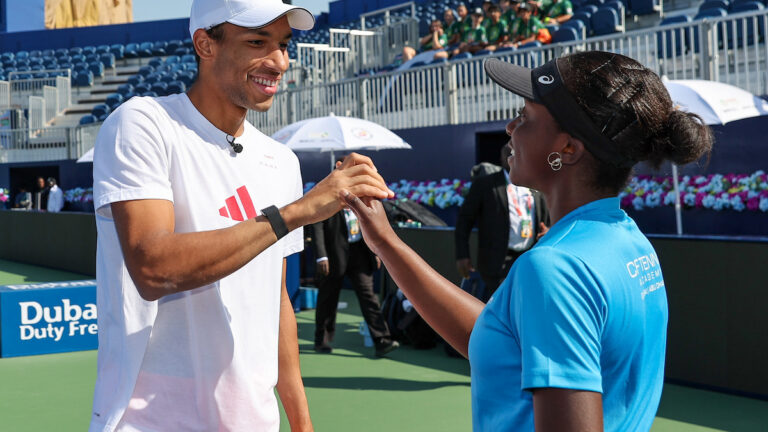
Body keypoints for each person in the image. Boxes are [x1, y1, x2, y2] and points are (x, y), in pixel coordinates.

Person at [340, 51, 713, 430]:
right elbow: (496, 340)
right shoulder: (627, 238)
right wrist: (385, 241)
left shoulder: (555, 267)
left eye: (526, 116)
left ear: (568, 149)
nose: (510, 126)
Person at [89, 0, 394, 431]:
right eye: (257, 42)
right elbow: (153, 267)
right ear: (204, 44)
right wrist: (293, 213)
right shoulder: (143, 124)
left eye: (285, 45)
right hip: (153, 421)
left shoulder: (281, 161)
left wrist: (302, 423)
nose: (278, 62)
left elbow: (277, 303)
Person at [312, 176, 399, 356]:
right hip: (334, 253)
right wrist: (321, 256)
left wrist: (376, 251)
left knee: (368, 295)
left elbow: (371, 222)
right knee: (328, 298)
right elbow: (317, 224)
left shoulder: (364, 192)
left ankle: (382, 340)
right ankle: (322, 341)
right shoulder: (327, 192)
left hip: (360, 252)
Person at [455, 145, 548, 301]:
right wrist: (462, 254)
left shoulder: (535, 184)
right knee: (499, 309)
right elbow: (464, 220)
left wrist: (549, 230)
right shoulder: (485, 184)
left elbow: (548, 219)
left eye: (515, 150)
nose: (511, 154)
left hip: (528, 257)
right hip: (497, 261)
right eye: (507, 151)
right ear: (501, 158)